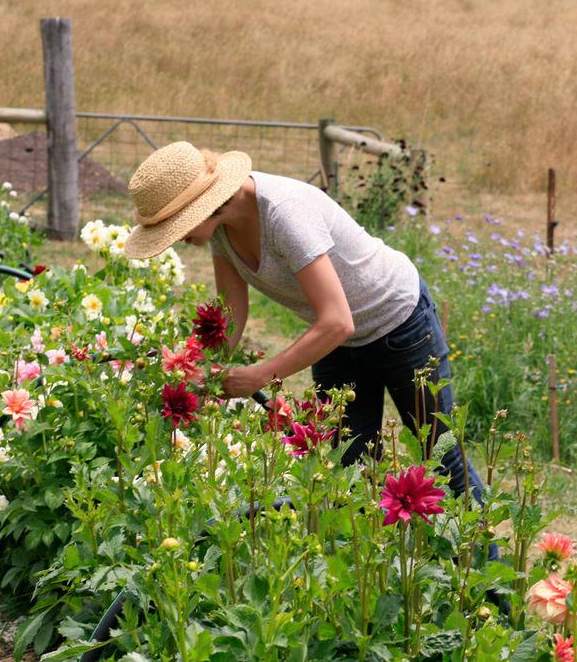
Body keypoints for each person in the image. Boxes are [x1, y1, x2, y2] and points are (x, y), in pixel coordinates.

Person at [123, 141, 488, 505]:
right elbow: (230, 313)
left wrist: (261, 375)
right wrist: (196, 371)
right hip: (337, 342)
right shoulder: (221, 227)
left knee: (440, 456)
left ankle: (484, 560)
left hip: (399, 322)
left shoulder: (284, 213)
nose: (175, 239)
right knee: (346, 464)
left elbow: (338, 321)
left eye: (174, 226)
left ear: (199, 207)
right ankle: (367, 555)